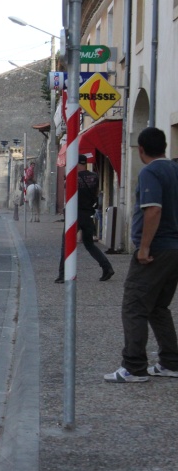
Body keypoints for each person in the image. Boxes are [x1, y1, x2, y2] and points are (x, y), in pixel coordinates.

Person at [104, 127, 178, 383]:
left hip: (157, 249)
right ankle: (170, 362)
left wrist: (144, 247)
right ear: (165, 146)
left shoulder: (151, 172)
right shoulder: (175, 170)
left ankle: (134, 367)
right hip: (174, 249)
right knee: (159, 307)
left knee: (134, 306)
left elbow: (153, 210)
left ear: (141, 150)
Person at [55, 154, 114, 283]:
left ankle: (62, 275)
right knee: (89, 244)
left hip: (74, 215)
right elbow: (96, 194)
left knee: (66, 244)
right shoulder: (95, 177)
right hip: (88, 214)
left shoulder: (72, 178)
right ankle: (107, 267)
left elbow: (67, 193)